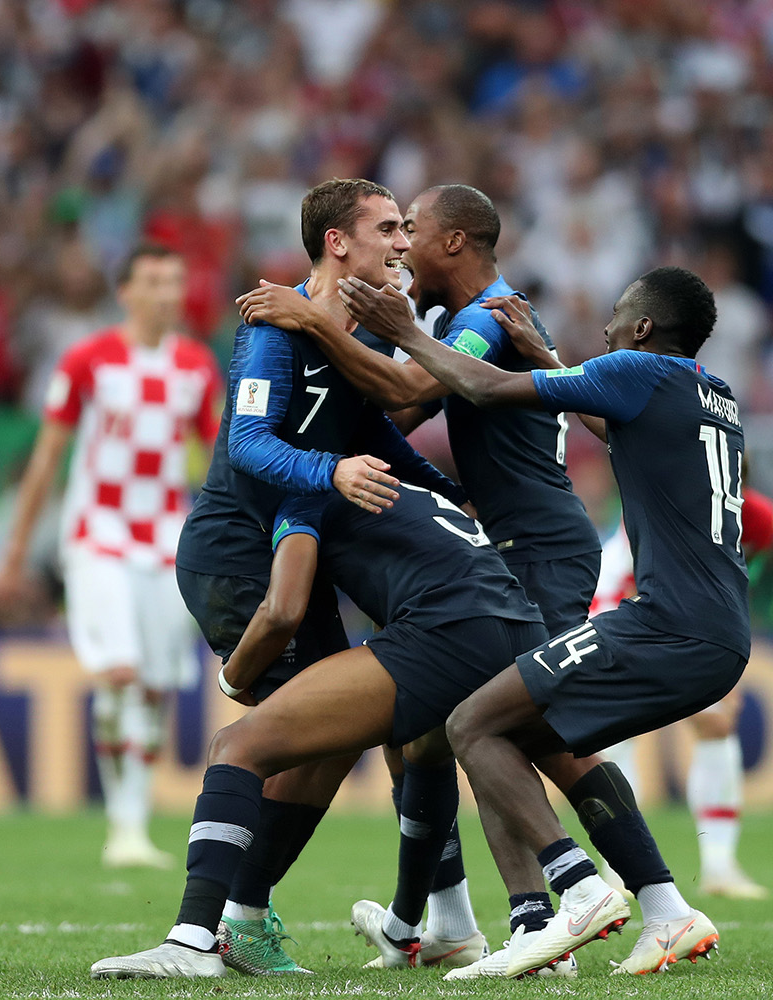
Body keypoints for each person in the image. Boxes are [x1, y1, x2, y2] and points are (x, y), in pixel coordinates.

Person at [238, 185, 707, 977]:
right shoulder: (465, 323)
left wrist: (321, 323)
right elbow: (393, 415)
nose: (400, 248)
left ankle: (647, 902)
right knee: (425, 728)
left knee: (519, 729)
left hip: (539, 550)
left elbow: (414, 393)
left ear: (452, 243)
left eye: (409, 231)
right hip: (507, 544)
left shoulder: (490, 315)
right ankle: (440, 921)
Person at [337, 264, 746, 979]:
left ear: (643, 329)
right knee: (519, 727)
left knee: (471, 722)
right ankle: (664, 911)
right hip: (719, 629)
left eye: (619, 316)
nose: (608, 328)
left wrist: (406, 333)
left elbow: (486, 388)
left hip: (664, 623)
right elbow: (613, 425)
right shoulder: (715, 394)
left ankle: (571, 895)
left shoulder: (632, 370)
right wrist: (549, 357)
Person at [174, 178, 471, 976]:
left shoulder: (355, 335)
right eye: (387, 228)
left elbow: (374, 428)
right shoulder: (274, 326)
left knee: (340, 735)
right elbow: (249, 446)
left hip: (294, 551)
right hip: (238, 555)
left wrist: (451, 501)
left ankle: (242, 915)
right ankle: (226, 921)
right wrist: (332, 473)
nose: (404, 242)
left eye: (407, 227)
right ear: (337, 242)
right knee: (299, 737)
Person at [88, 467, 547, 980]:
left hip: (448, 630)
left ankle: (195, 936)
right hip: (517, 622)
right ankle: (535, 912)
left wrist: (230, 677)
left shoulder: (309, 489)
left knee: (237, 744)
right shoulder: (413, 486)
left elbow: (282, 610)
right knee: (428, 749)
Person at [0, 243, 220, 869]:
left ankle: (132, 824)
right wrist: (14, 550)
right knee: (119, 670)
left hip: (166, 536)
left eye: (174, 281)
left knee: (150, 685)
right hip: (97, 532)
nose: (167, 293)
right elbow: (46, 458)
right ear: (126, 291)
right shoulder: (88, 359)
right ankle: (125, 827)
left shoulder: (197, 366)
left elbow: (224, 459)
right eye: (153, 281)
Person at [596, 483, 773, 900]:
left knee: (715, 722)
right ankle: (615, 871)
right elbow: (630, 576)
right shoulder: (670, 501)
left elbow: (734, 580)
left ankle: (719, 866)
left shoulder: (756, 515)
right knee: (619, 739)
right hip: (623, 609)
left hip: (682, 614)